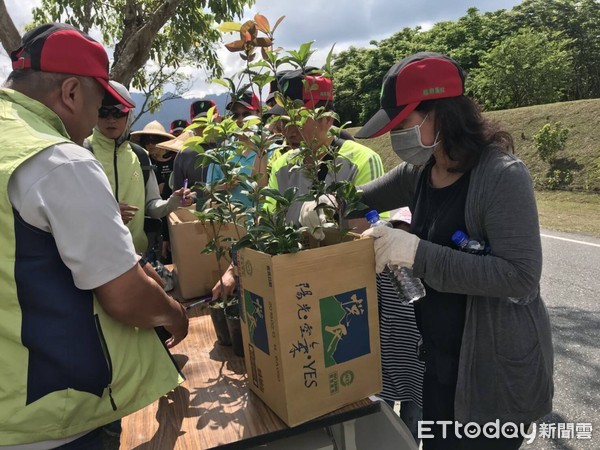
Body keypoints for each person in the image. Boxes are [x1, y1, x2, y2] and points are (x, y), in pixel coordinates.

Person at [1, 23, 188, 449]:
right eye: (98, 103)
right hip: (56, 415)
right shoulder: (58, 160)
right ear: (70, 92)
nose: (97, 120)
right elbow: (125, 297)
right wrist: (174, 313)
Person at [355, 52, 554, 449]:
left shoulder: (501, 177)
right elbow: (359, 200)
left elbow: (519, 275)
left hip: (490, 371)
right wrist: (325, 206)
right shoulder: (422, 170)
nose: (399, 139)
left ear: (440, 115)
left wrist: (417, 253)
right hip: (440, 363)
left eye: (405, 125)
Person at [86, 90, 193, 255]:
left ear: (128, 115)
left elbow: (151, 205)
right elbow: (67, 210)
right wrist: (106, 214)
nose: (111, 119)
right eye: (103, 111)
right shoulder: (83, 152)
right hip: (96, 256)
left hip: (137, 254)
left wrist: (172, 202)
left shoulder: (140, 156)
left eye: (118, 112)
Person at [130, 121, 178, 262]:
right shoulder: (142, 161)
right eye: (146, 140)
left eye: (154, 140)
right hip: (151, 220)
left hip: (174, 214)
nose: (150, 144)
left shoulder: (176, 160)